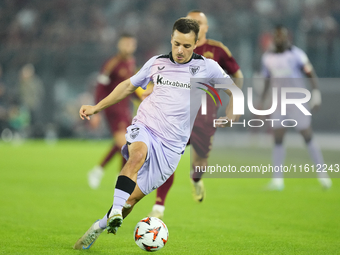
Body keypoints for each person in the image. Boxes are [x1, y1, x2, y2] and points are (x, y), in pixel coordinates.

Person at [74, 17, 237, 250]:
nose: (180, 50)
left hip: (172, 147)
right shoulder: (156, 63)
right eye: (177, 44)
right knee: (137, 155)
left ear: (195, 44)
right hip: (147, 126)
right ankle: (116, 210)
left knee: (131, 200)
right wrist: (96, 107)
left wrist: (232, 114)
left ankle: (99, 225)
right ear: (171, 39)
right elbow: (129, 86)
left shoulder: (207, 67)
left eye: (187, 46)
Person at [148, 10, 243, 219]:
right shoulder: (178, 51)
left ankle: (196, 179)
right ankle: (159, 205)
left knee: (199, 162)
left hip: (205, 116)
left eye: (199, 22)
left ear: (205, 28)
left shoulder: (216, 51)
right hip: (178, 115)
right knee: (168, 156)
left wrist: (233, 103)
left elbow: (237, 74)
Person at [261, 25, 332, 190]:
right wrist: (262, 103)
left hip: (297, 102)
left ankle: (323, 174)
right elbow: (266, 81)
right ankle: (277, 180)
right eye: (277, 36)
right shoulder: (267, 57)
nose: (279, 38)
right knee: (278, 138)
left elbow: (310, 74)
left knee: (307, 135)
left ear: (287, 37)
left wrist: (316, 93)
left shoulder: (297, 55)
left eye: (282, 36)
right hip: (278, 103)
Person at [87, 33, 137, 189]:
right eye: (125, 44)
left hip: (125, 108)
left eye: (130, 44)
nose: (127, 47)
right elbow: (100, 88)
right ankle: (115, 175)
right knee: (125, 143)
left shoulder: (131, 63)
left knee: (125, 143)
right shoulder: (111, 63)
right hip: (113, 109)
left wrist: (144, 98)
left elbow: (131, 88)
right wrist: (96, 110)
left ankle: (100, 171)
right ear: (119, 45)